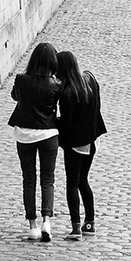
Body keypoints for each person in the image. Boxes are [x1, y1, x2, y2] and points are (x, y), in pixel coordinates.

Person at [8, 42, 64, 242]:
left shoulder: (22, 79)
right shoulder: (56, 84)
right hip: (48, 134)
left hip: (24, 133)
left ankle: (32, 226)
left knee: (29, 179)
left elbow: (15, 96)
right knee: (48, 179)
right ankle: (46, 221)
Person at [53, 50, 106, 237]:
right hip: (93, 139)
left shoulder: (68, 94)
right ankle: (89, 223)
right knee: (84, 180)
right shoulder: (90, 79)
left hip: (76, 143)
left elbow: (66, 124)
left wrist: (53, 121)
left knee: (72, 183)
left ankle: (76, 227)